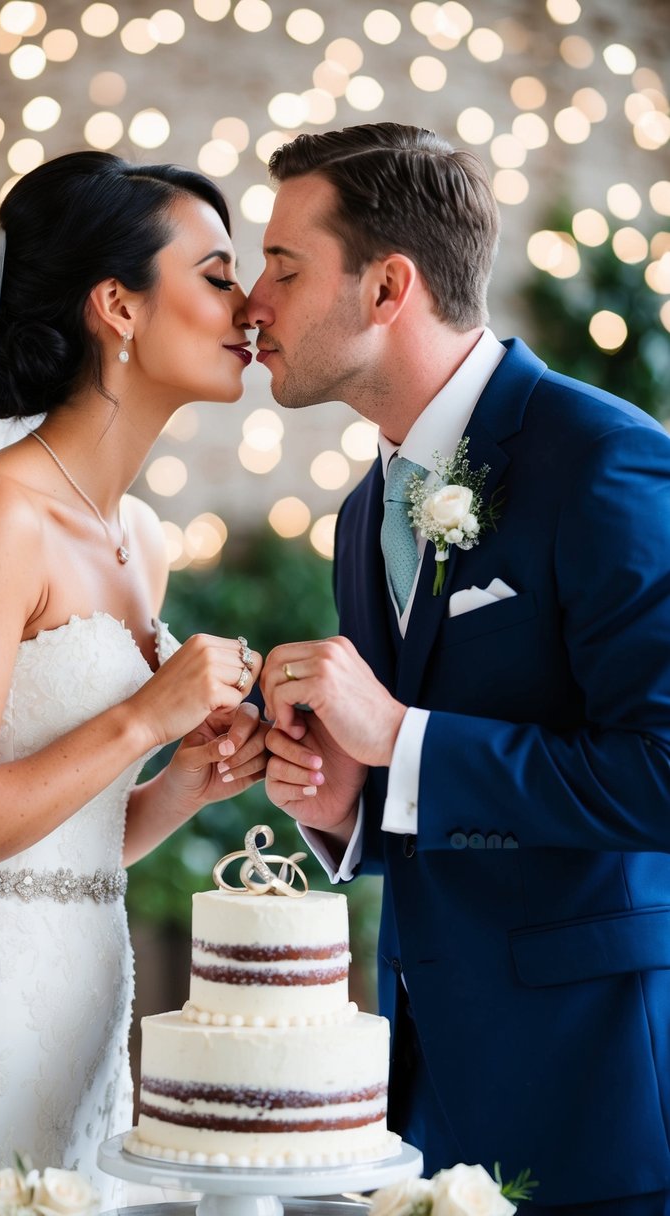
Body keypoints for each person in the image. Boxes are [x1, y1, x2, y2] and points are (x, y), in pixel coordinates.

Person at [252, 122, 670, 1214]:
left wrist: (396, 739)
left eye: (283, 267)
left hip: (602, 1091)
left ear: (387, 284)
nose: (254, 300)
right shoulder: (355, 519)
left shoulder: (600, 460)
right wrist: (349, 801)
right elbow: (456, 807)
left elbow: (661, 771)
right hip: (423, 1101)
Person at [0, 151, 266, 1215]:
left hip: (87, 993)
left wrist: (182, 786)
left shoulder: (141, 539)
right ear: (117, 305)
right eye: (216, 275)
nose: (247, 306)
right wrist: (145, 716)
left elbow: (61, 841)